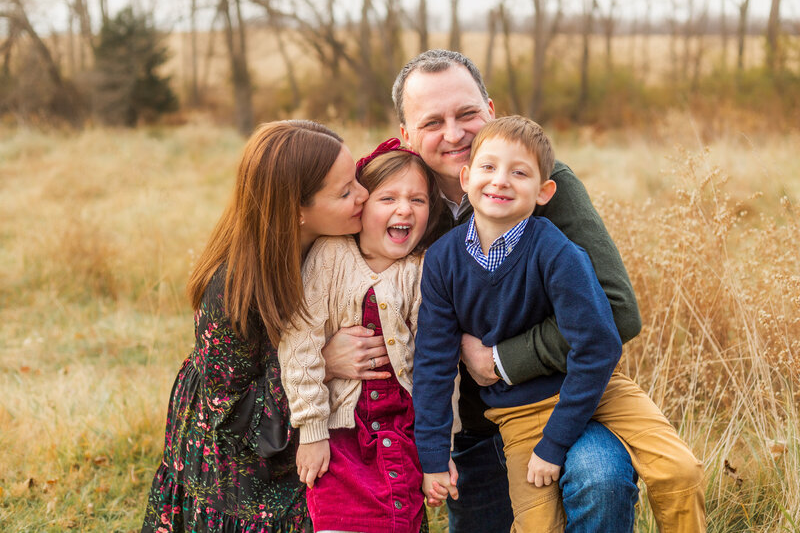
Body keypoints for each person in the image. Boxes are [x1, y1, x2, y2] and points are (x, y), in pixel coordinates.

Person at [413, 116, 705, 532]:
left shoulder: (556, 251)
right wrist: (433, 454)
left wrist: (554, 444)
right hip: (516, 412)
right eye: (488, 168)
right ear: (466, 177)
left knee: (680, 472)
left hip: (597, 390)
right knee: (536, 526)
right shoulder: (443, 259)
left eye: (519, 173)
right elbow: (433, 363)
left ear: (545, 191)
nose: (500, 181)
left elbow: (600, 345)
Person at [141, 120, 371, 532]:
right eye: (345, 192)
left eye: (356, 181)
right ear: (297, 210)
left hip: (317, 432)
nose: (364, 195)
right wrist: (323, 362)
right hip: (241, 465)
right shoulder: (233, 290)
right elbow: (230, 412)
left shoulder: (339, 247)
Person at [277, 140, 441, 533]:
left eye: (417, 200)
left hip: (403, 437)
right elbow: (300, 343)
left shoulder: (423, 271)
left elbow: (435, 367)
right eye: (388, 198)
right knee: (338, 521)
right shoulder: (330, 256)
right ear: (362, 207)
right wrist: (312, 432)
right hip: (341, 439)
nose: (404, 209)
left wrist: (437, 454)